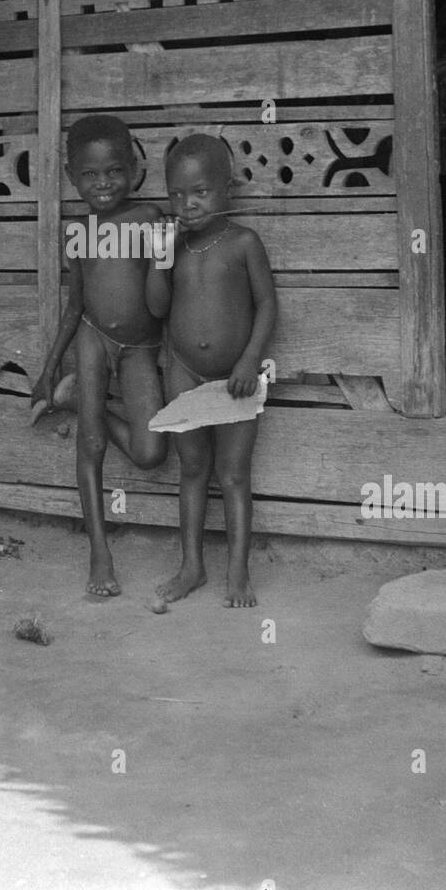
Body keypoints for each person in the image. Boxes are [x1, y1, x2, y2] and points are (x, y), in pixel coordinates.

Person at [32, 114, 168, 597]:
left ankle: (76, 403)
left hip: (140, 348)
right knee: (90, 447)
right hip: (91, 338)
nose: (103, 183)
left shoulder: (150, 220)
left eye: (113, 171)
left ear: (133, 170)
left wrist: (164, 254)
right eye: (89, 175)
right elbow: (76, 304)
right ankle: (99, 554)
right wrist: (49, 367)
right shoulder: (78, 231)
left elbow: (162, 298)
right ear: (72, 177)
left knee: (151, 453)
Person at [146, 134, 277, 608]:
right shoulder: (172, 247)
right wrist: (162, 255)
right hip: (182, 369)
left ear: (228, 190)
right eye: (177, 194)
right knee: (193, 469)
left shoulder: (243, 242)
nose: (188, 203)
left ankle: (237, 571)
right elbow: (157, 308)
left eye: (200, 192)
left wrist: (249, 361)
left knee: (234, 474)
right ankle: (192, 567)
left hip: (236, 377)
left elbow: (267, 305)